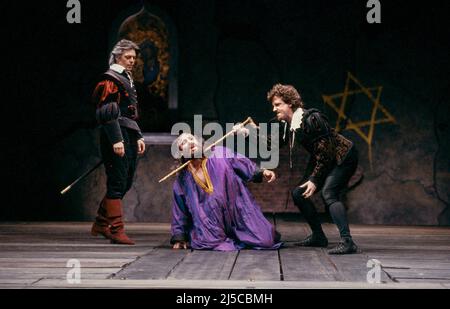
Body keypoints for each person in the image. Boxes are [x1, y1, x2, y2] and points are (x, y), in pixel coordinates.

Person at [266, 84, 359, 254]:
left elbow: (327, 152)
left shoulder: (312, 118)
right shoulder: (289, 124)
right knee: (298, 194)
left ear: (290, 104)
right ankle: (318, 236)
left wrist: (315, 179)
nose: (274, 109)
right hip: (323, 158)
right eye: (273, 105)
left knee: (329, 193)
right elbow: (271, 145)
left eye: (278, 104)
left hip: (343, 157)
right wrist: (246, 133)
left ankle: (348, 242)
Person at [170, 133, 282, 251]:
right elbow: (179, 211)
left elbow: (241, 161)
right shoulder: (183, 180)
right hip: (211, 225)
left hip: (239, 212)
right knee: (208, 243)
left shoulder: (219, 153)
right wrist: (179, 237)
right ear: (181, 152)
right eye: (184, 142)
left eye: (191, 138)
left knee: (266, 240)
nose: (190, 142)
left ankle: (243, 235)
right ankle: (230, 238)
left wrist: (262, 172)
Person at [90, 39, 146, 245]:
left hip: (128, 133)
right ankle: (115, 229)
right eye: (127, 57)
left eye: (133, 57)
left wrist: (138, 135)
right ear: (117, 57)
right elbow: (106, 112)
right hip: (115, 135)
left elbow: (130, 113)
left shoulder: (126, 78)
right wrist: (116, 139)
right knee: (117, 181)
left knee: (126, 181)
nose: (132, 60)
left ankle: (101, 222)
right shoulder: (110, 80)